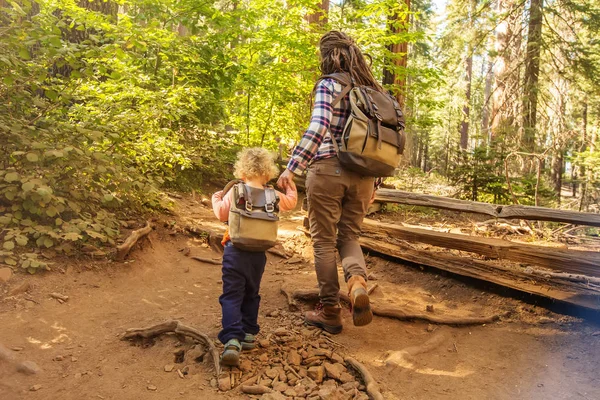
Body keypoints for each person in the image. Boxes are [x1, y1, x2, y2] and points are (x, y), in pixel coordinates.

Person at [277, 31, 382, 334]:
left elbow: (319, 125)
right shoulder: (372, 91)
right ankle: (358, 283)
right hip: (365, 176)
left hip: (327, 170)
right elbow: (384, 141)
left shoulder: (329, 85)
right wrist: (374, 184)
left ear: (328, 57)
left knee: (323, 241)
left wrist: (292, 167)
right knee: (348, 236)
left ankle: (331, 311)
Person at [212, 147, 297, 365]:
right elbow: (291, 202)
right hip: (259, 253)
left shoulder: (235, 191)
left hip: (235, 249)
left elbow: (221, 213)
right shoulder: (273, 195)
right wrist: (290, 185)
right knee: (252, 292)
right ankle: (248, 334)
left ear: (242, 172)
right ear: (268, 174)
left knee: (232, 295)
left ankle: (232, 338)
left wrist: (216, 197)